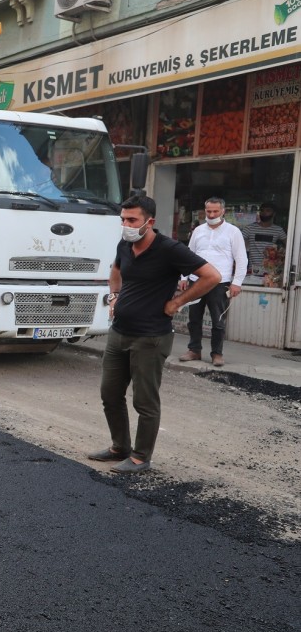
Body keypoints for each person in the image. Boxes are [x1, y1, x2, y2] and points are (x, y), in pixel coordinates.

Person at [90, 195, 221, 474]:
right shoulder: (125, 245)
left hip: (150, 337)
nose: (125, 225)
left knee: (144, 401)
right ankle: (119, 447)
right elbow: (115, 271)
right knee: (110, 394)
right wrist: (113, 297)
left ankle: (140, 457)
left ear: (150, 222)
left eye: (132, 220)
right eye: (123, 219)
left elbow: (212, 276)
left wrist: (176, 303)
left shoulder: (170, 249)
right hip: (119, 333)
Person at [178, 197, 247, 367]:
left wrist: (237, 282)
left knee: (218, 320)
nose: (212, 214)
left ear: (223, 211)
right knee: (194, 318)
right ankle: (194, 350)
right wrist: (184, 277)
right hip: (196, 280)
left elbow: (241, 258)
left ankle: (217, 353)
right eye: (209, 211)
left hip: (220, 282)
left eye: (215, 211)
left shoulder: (233, 232)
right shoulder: (198, 230)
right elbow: (189, 254)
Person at [241, 202, 287, 279]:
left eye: (268, 211)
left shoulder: (278, 230)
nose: (264, 213)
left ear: (274, 213)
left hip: (271, 272)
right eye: (262, 210)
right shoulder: (250, 228)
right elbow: (236, 243)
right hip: (253, 270)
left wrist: (281, 255)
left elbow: (289, 245)